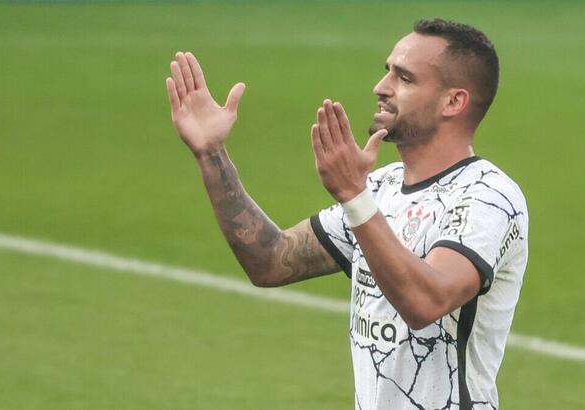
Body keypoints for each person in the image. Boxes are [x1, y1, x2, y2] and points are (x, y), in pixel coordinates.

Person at [165, 18, 528, 410]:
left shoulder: (488, 197)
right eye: (387, 70)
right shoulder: (381, 189)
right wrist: (211, 154)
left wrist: (354, 196)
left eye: (404, 78)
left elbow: (426, 302)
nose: (381, 87)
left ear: (453, 102)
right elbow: (270, 261)